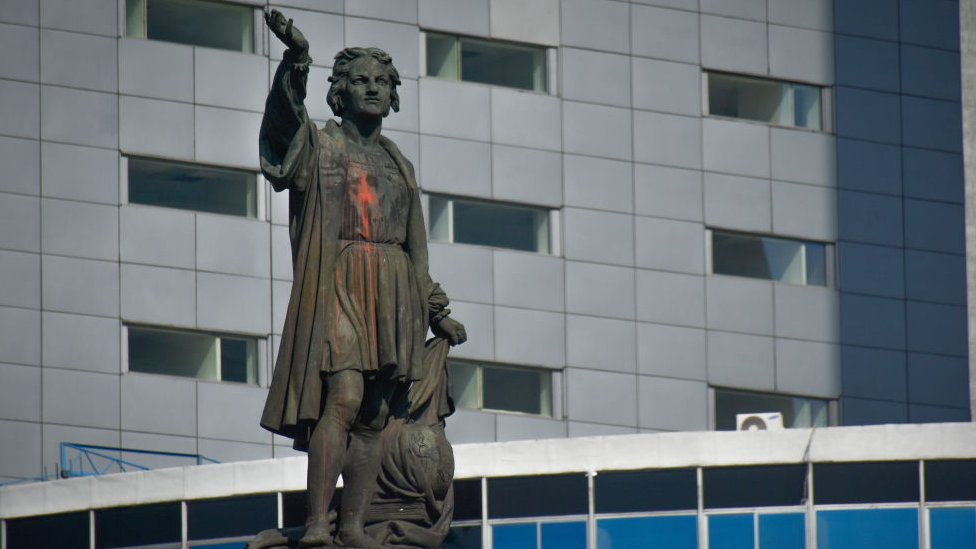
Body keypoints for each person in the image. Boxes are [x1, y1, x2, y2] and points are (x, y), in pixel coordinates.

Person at [258, 9, 466, 548]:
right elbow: (282, 136)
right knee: (344, 396)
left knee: (375, 414)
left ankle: (352, 525)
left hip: (393, 290)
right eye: (361, 81)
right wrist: (297, 59)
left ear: (393, 95)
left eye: (382, 82)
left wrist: (437, 311)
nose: (373, 89)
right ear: (340, 92)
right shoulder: (322, 146)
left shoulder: (399, 163)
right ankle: (315, 524)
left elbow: (415, 248)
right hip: (339, 282)